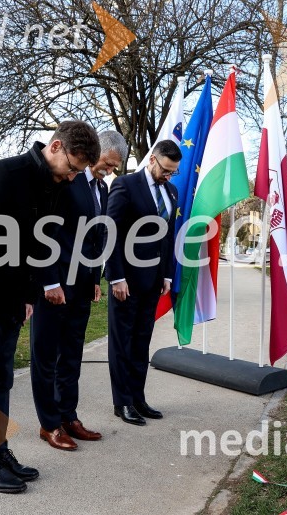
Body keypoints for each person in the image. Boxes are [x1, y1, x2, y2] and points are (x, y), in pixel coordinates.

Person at [0, 120, 100, 493]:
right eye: (73, 168)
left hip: (13, 301)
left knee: (1, 379)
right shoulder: (4, 174)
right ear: (56, 147)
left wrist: (29, 296)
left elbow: (40, 245)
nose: (72, 178)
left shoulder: (54, 186)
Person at [31, 129, 126, 451]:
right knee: (46, 357)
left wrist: (94, 279)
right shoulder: (66, 180)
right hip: (54, 284)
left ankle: (68, 416)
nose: (109, 171)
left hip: (82, 285)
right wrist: (49, 280)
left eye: (114, 168)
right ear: (96, 151)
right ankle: (49, 424)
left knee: (71, 356)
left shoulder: (101, 187)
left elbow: (93, 239)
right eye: (108, 164)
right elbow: (44, 231)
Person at [105, 139, 181, 426]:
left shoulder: (171, 191)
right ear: (152, 160)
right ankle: (121, 402)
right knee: (122, 343)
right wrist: (116, 276)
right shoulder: (125, 185)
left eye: (173, 172)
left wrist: (166, 274)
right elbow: (109, 232)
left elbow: (167, 236)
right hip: (126, 280)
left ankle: (138, 398)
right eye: (165, 169)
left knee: (141, 342)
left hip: (153, 281)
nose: (168, 176)